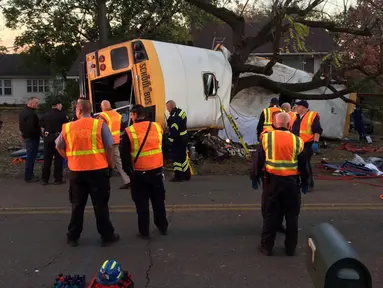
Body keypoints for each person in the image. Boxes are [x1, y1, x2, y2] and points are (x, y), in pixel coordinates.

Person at [55, 100, 119, 247]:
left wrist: (69, 158)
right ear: (90, 110)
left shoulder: (68, 127)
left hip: (77, 172)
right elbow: (109, 146)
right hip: (98, 171)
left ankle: (73, 236)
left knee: (77, 205)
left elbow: (58, 145)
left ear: (78, 111)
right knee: (100, 205)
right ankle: (107, 235)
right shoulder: (99, 125)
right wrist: (111, 164)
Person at [253, 112, 308, 256]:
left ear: (274, 124)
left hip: (272, 182)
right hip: (291, 183)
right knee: (292, 216)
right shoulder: (298, 141)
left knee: (270, 214)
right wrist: (306, 182)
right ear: (289, 125)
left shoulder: (266, 138)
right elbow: (304, 165)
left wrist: (254, 176)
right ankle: (290, 248)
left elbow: (258, 160)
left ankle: (267, 247)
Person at [120, 104, 169, 239]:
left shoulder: (129, 131)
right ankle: (162, 226)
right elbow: (165, 146)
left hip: (139, 173)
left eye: (131, 115)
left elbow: (124, 155)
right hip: (156, 171)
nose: (131, 117)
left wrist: (129, 172)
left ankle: (144, 231)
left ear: (135, 115)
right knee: (158, 200)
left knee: (141, 203)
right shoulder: (157, 127)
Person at [98, 100, 131, 189]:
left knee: (102, 160)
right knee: (118, 161)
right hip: (116, 141)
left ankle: (102, 182)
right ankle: (127, 179)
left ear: (102, 107)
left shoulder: (103, 116)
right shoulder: (117, 114)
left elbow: (100, 129)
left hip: (106, 142)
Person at [291, 100, 323, 190]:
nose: (296, 108)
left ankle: (308, 184)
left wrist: (316, 142)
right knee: (297, 164)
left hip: (307, 144)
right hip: (296, 144)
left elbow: (317, 130)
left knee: (305, 163)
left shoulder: (312, 116)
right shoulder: (295, 117)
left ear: (304, 107)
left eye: (298, 106)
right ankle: (300, 182)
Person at [40, 99, 69, 185]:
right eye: (61, 105)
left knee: (47, 159)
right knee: (58, 159)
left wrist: (45, 136)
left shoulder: (45, 115)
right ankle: (58, 179)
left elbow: (42, 127)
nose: (61, 106)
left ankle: (44, 179)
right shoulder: (63, 115)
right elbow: (66, 127)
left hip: (48, 137)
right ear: (58, 105)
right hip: (58, 138)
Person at [166, 100, 191, 182]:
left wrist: (169, 140)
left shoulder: (174, 117)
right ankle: (186, 174)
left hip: (178, 139)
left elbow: (174, 131)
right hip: (184, 136)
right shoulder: (181, 112)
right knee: (183, 156)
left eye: (167, 108)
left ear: (170, 107)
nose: (167, 110)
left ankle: (178, 175)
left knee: (176, 157)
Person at [19, 96, 41, 182]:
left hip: (27, 137)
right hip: (32, 138)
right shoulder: (31, 114)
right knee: (31, 157)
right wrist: (39, 133)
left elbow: (21, 125)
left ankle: (30, 174)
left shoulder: (23, 112)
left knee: (30, 156)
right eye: (36, 103)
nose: (37, 105)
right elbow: (32, 127)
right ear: (31, 103)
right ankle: (28, 176)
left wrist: (23, 134)